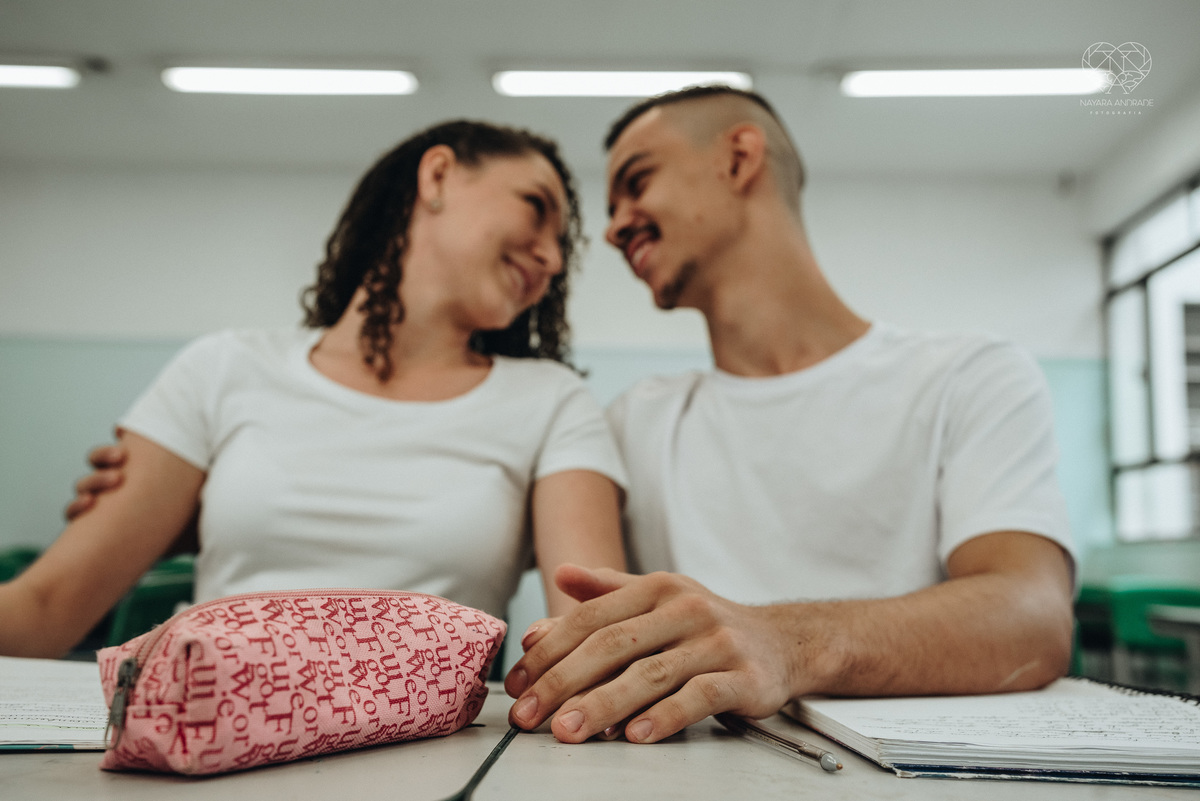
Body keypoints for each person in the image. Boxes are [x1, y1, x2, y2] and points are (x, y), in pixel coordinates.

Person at [499, 86, 1076, 744]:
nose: (613, 226)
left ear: (740, 158)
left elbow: (1032, 616)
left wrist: (785, 643)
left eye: (638, 181)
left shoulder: (967, 377)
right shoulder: (633, 422)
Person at [0, 119, 627, 658]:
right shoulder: (223, 368)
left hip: (427, 758)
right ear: (437, 176)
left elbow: (593, 639)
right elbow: (48, 607)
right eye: (536, 207)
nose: (550, 256)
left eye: (561, 246)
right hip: (215, 746)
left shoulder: (551, 402)